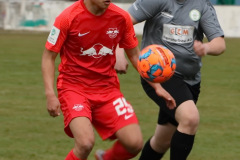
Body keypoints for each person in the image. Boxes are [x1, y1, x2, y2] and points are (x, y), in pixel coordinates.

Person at [115, 0, 226, 159]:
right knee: (190, 118)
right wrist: (118, 52)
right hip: (158, 75)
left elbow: (220, 43)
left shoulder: (202, 5)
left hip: (191, 81)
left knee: (162, 141)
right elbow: (121, 22)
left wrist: (206, 48)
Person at [41, 0, 144, 160]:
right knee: (85, 143)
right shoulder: (67, 17)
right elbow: (48, 57)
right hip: (74, 89)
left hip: (107, 90)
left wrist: (158, 87)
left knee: (134, 143)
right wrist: (50, 94)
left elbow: (135, 55)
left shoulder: (121, 17)